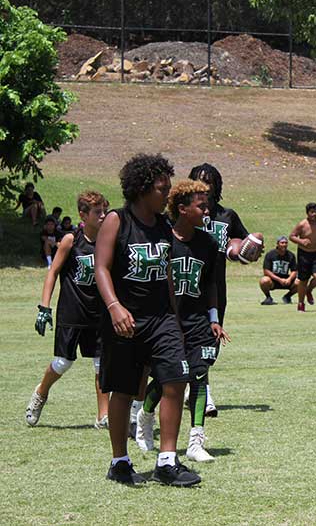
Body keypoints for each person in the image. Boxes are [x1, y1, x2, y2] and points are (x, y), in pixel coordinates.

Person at [95, 153, 200, 486]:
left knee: (175, 379)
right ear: (141, 189)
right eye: (161, 188)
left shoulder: (163, 226)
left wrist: (175, 318)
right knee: (124, 390)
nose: (167, 194)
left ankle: (167, 462)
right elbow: (101, 267)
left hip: (161, 319)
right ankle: (119, 462)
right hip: (125, 320)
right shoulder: (117, 220)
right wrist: (114, 306)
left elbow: (167, 274)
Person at [136, 180, 230, 463]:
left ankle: (195, 442)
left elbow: (211, 283)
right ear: (182, 209)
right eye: (201, 205)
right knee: (169, 379)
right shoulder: (163, 239)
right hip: (166, 321)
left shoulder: (208, 243)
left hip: (198, 321)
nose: (207, 209)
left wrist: (214, 318)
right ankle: (145, 416)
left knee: (199, 376)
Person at [25, 190, 110, 429]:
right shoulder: (72, 240)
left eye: (104, 210)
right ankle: (41, 393)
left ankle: (103, 416)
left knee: (101, 364)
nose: (103, 215)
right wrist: (44, 307)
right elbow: (52, 273)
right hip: (72, 313)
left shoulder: (108, 240)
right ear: (83, 215)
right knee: (63, 363)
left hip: (98, 314)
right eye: (97, 212)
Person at [188, 163, 264, 418]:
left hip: (216, 287)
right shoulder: (185, 214)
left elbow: (240, 244)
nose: (205, 185)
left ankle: (198, 384)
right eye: (199, 180)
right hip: (186, 284)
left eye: (209, 181)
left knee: (211, 339)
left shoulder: (226, 216)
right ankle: (200, 389)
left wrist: (248, 251)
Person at [290, 202, 316, 312]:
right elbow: (291, 236)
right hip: (304, 254)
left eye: (315, 212)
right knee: (303, 280)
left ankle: (308, 290)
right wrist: (301, 241)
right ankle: (301, 303)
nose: (314, 214)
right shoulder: (302, 224)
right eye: (311, 212)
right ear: (307, 213)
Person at [260, 236, 298, 305]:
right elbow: (266, 271)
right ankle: (268, 298)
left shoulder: (291, 255)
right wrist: (279, 279)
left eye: (286, 243)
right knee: (264, 280)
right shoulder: (270, 254)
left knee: (300, 282)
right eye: (282, 243)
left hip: (286, 280)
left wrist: (289, 279)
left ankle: (287, 297)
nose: (284, 244)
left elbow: (294, 271)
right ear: (277, 244)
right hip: (273, 280)